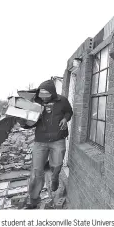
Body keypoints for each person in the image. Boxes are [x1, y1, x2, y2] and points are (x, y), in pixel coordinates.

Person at [22, 80, 73, 209]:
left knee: (57, 165)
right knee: (37, 171)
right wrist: (34, 117)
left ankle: (55, 176)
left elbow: (69, 112)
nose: (43, 96)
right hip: (40, 141)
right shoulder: (35, 103)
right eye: (41, 93)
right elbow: (27, 124)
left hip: (58, 139)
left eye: (46, 93)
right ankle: (33, 199)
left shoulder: (62, 100)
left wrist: (65, 119)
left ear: (52, 93)